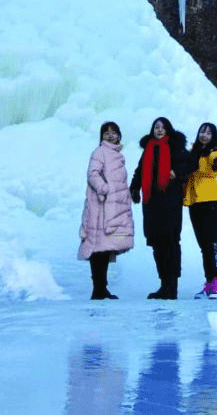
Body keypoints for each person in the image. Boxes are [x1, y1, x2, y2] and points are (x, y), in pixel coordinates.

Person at [130, 116, 192, 300]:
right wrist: (134, 188)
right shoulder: (148, 149)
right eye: (156, 127)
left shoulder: (175, 147)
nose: (159, 129)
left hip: (171, 201)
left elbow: (190, 163)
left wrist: (177, 172)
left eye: (162, 127)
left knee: (171, 242)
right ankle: (163, 284)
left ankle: (172, 286)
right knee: (157, 244)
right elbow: (140, 171)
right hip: (152, 203)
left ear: (168, 129)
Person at [77, 121, 134, 300]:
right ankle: (98, 289)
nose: (110, 135)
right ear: (101, 136)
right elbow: (92, 174)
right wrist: (104, 189)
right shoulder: (100, 152)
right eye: (106, 133)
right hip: (100, 208)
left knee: (105, 248)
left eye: (114, 132)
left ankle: (102, 288)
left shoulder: (117, 155)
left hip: (111, 209)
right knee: (98, 249)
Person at [184, 122, 217, 299]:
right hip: (194, 201)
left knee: (211, 243)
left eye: (208, 133)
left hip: (210, 200)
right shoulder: (193, 153)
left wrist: (215, 158)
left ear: (213, 136)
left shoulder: (214, 151)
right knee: (204, 246)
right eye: (202, 131)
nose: (204, 135)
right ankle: (209, 284)